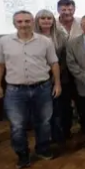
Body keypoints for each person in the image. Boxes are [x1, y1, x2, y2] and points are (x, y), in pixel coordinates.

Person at [0, 10, 62, 168]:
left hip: (42, 88)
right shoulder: (4, 41)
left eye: (27, 21)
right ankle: (22, 154)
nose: (23, 24)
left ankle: (42, 149)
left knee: (44, 122)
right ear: (14, 23)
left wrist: (57, 83)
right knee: (17, 125)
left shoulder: (45, 41)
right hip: (15, 91)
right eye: (19, 22)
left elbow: (54, 63)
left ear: (33, 22)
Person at [33, 9, 70, 145]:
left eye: (49, 18)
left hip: (61, 75)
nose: (46, 21)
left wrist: (57, 76)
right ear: (37, 21)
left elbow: (66, 57)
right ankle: (46, 138)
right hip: (40, 77)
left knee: (60, 108)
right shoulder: (32, 37)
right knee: (44, 110)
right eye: (43, 18)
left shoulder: (60, 35)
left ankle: (61, 135)